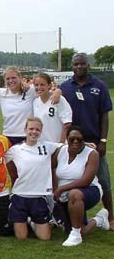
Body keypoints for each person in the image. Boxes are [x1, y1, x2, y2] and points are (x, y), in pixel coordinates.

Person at [59, 53, 113, 230]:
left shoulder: (99, 86)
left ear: (88, 65)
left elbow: (104, 116)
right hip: (72, 143)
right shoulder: (65, 87)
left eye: (82, 64)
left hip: (93, 143)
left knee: (104, 181)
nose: (79, 67)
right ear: (72, 66)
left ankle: (110, 217)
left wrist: (103, 140)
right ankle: (73, 214)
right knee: (70, 177)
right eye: (76, 64)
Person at [53, 126, 110, 246]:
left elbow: (86, 181)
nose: (75, 142)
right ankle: (99, 219)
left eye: (79, 139)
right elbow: (52, 168)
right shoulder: (60, 151)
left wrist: (61, 189)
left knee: (75, 193)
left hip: (88, 191)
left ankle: (75, 235)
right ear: (67, 139)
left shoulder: (92, 154)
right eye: (72, 139)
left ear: (84, 140)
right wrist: (54, 190)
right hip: (65, 196)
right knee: (81, 229)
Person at [5, 117, 60, 240]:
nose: (34, 132)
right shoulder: (15, 150)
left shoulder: (48, 146)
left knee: (45, 238)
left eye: (37, 129)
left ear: (41, 131)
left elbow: (67, 147)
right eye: (31, 129)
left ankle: (33, 221)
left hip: (39, 196)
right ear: (25, 130)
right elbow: (1, 161)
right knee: (21, 237)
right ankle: (26, 219)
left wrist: (86, 144)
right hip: (20, 196)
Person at [32, 72, 72, 143]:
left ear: (49, 85)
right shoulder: (35, 102)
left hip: (56, 144)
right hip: (41, 145)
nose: (39, 88)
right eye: (36, 85)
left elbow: (67, 124)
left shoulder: (59, 99)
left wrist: (61, 144)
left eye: (42, 85)